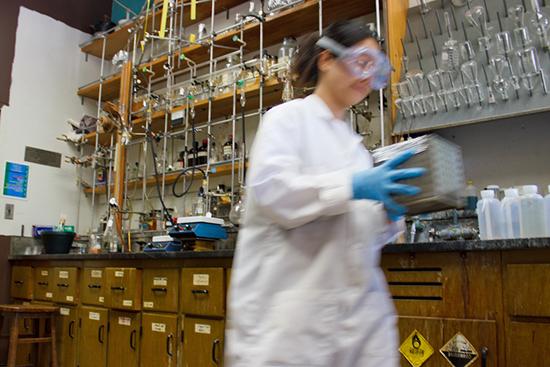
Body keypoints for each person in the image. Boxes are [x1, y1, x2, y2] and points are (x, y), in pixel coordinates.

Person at [226, 20, 426, 367]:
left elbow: (355, 237)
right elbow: (275, 192)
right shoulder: (287, 120)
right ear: (326, 60)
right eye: (362, 62)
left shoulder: (356, 149)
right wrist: (352, 186)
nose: (367, 76)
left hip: (356, 325)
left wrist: (388, 216)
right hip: (289, 329)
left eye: (375, 68)